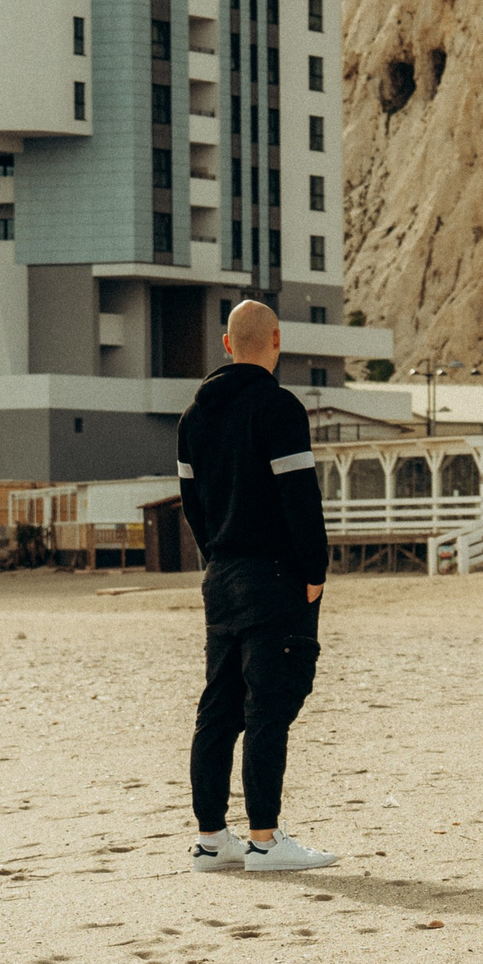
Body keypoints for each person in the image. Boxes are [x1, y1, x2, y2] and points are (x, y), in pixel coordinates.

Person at [180, 300, 338, 872]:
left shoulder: (192, 418)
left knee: (219, 708)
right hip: (275, 577)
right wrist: (315, 571)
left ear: (227, 345)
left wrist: (217, 557)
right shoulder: (279, 407)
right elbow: (301, 500)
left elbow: (193, 507)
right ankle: (266, 840)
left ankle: (209, 840)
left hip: (221, 575)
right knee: (269, 706)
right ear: (277, 339)